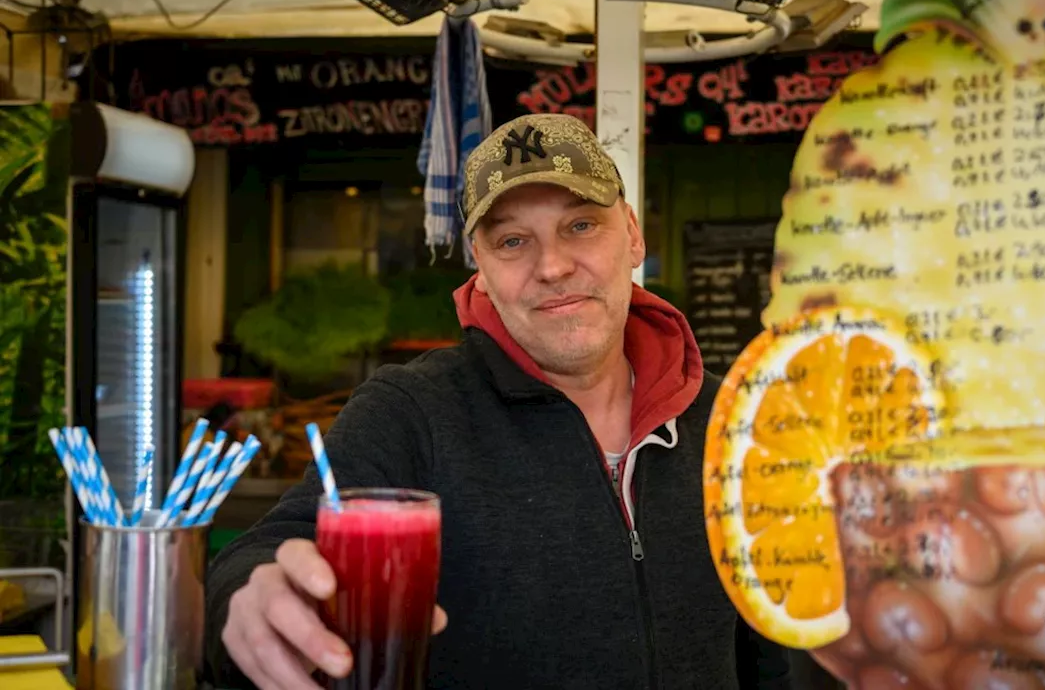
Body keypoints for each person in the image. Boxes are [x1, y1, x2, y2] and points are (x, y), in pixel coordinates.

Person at [206, 113, 792, 689]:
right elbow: (272, 546)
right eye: (513, 240)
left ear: (633, 234)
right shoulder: (410, 412)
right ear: (480, 266)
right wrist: (248, 592)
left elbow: (778, 646)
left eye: (581, 225)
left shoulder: (732, 419)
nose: (553, 266)